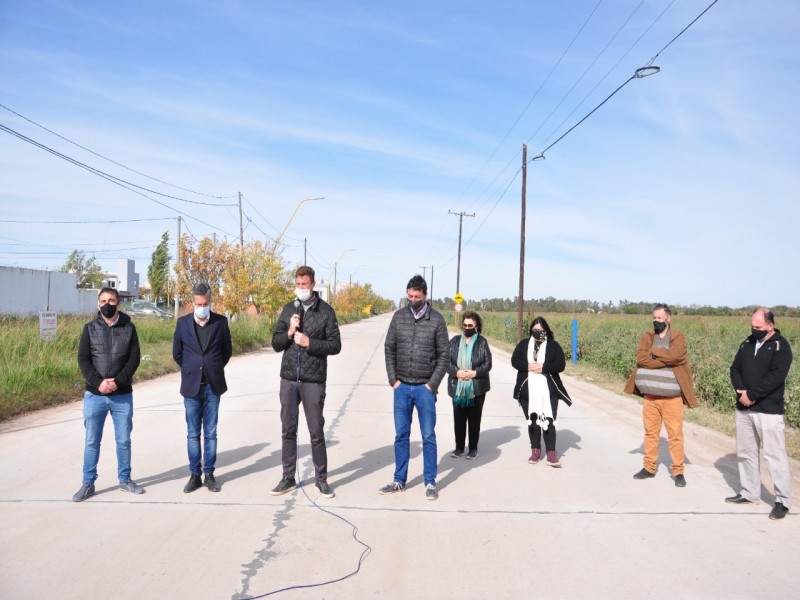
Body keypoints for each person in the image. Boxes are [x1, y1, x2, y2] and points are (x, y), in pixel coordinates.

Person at [270, 266, 341, 499]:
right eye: (298, 285)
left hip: (313, 380)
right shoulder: (290, 308)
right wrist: (290, 332)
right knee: (288, 430)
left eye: (305, 285)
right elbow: (276, 343)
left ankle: (321, 479)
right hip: (289, 379)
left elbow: (335, 345)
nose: (301, 289)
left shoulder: (326, 311)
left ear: (313, 284)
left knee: (316, 432)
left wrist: (309, 342)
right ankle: (288, 477)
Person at [380, 275, 449, 500]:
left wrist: (432, 384)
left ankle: (430, 482)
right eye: (409, 296)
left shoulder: (437, 320)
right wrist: (393, 380)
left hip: (424, 389)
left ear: (425, 296)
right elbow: (389, 348)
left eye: (416, 297)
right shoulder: (399, 317)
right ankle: (399, 480)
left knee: (428, 436)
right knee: (401, 435)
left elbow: (444, 356)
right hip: (401, 388)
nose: (412, 300)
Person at [73, 287, 143, 501]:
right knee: (92, 441)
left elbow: (134, 359)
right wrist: (98, 383)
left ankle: (125, 479)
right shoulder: (89, 328)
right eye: (103, 300)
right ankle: (88, 483)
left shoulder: (129, 328)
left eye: (111, 300)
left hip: (122, 396)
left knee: (123, 440)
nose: (107, 304)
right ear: (98, 303)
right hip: (95, 396)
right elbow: (83, 359)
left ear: (118, 303)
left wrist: (117, 382)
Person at [727, 307, 793, 520]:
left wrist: (753, 394)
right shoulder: (746, 344)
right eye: (752, 326)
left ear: (770, 326)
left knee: (774, 456)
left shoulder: (781, 347)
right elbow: (734, 369)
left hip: (768, 411)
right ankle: (749, 492)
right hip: (744, 408)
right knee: (746, 452)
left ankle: (782, 501)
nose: (754, 330)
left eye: (758, 327)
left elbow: (776, 377)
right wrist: (741, 392)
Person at [625, 304, 698, 487]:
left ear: (668, 319)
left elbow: (676, 355)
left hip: (672, 398)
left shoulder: (678, 336)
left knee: (675, 435)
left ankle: (678, 471)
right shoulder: (647, 337)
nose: (656, 321)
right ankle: (648, 468)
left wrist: (654, 354)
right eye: (654, 318)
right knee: (651, 433)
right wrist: (663, 361)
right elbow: (641, 358)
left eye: (660, 318)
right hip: (651, 397)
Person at [173, 282, 233, 494]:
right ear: (192, 302)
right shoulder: (182, 324)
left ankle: (209, 474)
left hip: (212, 387)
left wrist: (212, 368)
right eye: (198, 303)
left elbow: (226, 352)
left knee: (210, 432)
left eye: (205, 303)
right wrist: (192, 369)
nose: (201, 307)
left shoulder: (220, 322)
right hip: (191, 387)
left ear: (210, 302)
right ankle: (194, 474)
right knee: (192, 433)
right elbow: (177, 353)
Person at [512, 316, 572, 467]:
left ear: (546, 331)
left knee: (548, 420)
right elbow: (514, 361)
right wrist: (528, 366)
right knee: (532, 420)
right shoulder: (524, 344)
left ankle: (551, 454)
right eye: (534, 330)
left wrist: (543, 367)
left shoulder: (553, 346)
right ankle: (535, 451)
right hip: (528, 390)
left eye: (540, 330)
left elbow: (560, 365)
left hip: (548, 390)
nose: (537, 332)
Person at [446, 311, 492, 460]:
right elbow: (446, 361)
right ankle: (459, 447)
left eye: (470, 325)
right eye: (465, 325)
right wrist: (457, 372)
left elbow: (488, 363)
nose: (467, 327)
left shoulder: (482, 342)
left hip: (476, 387)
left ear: (476, 326)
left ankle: (473, 448)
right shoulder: (454, 341)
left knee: (474, 419)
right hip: (457, 385)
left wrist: (474, 373)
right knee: (458, 419)